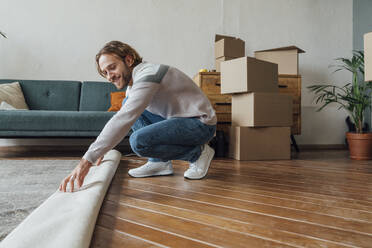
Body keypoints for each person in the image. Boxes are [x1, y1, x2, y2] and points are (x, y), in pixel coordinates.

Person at [59, 41, 217, 193]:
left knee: (139, 141)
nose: (109, 77)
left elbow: (123, 120)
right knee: (128, 102)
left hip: (201, 124)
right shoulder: (133, 85)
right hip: (180, 121)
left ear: (128, 60)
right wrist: (100, 150)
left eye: (112, 68)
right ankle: (159, 162)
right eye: (105, 73)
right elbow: (127, 114)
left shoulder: (149, 74)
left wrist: (87, 160)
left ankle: (198, 153)